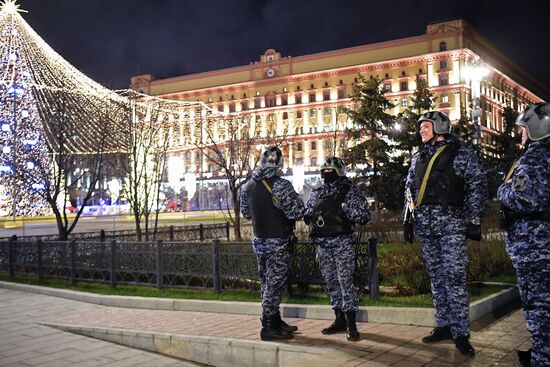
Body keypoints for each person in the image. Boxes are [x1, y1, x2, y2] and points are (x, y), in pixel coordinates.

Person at [403, 111, 487, 357]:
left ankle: (461, 333)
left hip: (451, 226)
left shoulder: (461, 154)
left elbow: (476, 185)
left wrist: (473, 219)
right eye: (420, 127)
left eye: (425, 126)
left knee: (455, 279)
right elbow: (409, 189)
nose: (421, 131)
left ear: (440, 127)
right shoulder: (418, 158)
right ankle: (443, 325)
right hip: (426, 228)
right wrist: (408, 220)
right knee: (437, 279)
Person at [497, 102, 550, 367]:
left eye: (524, 128)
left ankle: (542, 358)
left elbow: (526, 198)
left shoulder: (536, 156)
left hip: (536, 248)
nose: (521, 134)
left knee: (538, 308)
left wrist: (502, 190)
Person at [240, 146, 305, 341]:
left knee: (267, 283)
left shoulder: (248, 186)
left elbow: (246, 213)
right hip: (277, 240)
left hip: (259, 240)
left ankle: (275, 320)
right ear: (279, 164)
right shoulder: (280, 185)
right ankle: (268, 326)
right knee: (275, 284)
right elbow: (296, 212)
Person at [305, 156, 371, 341]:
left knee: (345, 282)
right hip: (323, 245)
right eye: (324, 171)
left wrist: (345, 208)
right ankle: (339, 319)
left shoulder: (350, 191)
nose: (327, 174)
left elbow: (364, 215)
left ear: (339, 172)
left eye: (331, 171)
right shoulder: (317, 191)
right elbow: (308, 212)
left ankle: (351, 324)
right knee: (331, 283)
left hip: (342, 243)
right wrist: (309, 215)